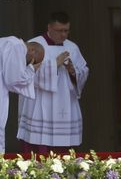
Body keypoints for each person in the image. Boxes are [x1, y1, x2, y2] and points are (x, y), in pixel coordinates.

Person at [17, 12, 89, 153]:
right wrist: (54, 64)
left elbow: (84, 71)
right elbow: (25, 75)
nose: (63, 35)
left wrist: (73, 71)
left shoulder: (72, 47)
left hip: (66, 103)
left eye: (66, 31)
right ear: (49, 28)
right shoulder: (34, 46)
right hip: (39, 104)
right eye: (59, 31)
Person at [0, 36, 44, 153]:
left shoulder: (9, 42)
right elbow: (13, 79)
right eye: (32, 60)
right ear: (32, 50)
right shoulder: (17, 47)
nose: (27, 63)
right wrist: (31, 69)